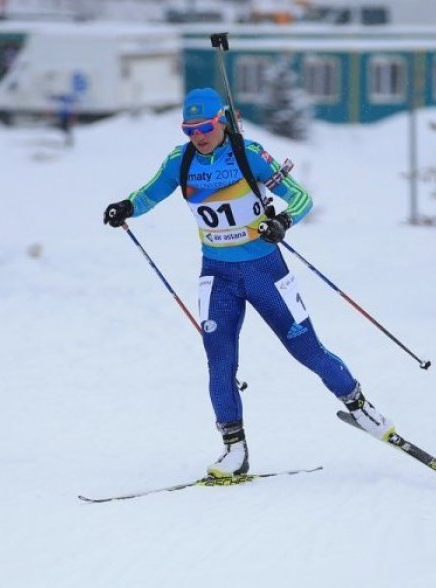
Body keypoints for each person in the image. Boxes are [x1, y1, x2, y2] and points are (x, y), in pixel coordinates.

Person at [103, 88, 394, 478]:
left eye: (205, 126)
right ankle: (234, 451)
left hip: (264, 272)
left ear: (221, 120)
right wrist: (126, 207)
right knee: (219, 362)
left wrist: (283, 222)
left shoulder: (248, 154)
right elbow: (150, 193)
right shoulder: (181, 160)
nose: (198, 135)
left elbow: (301, 198)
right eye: (189, 129)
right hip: (217, 275)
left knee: (306, 350)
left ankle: (359, 406)